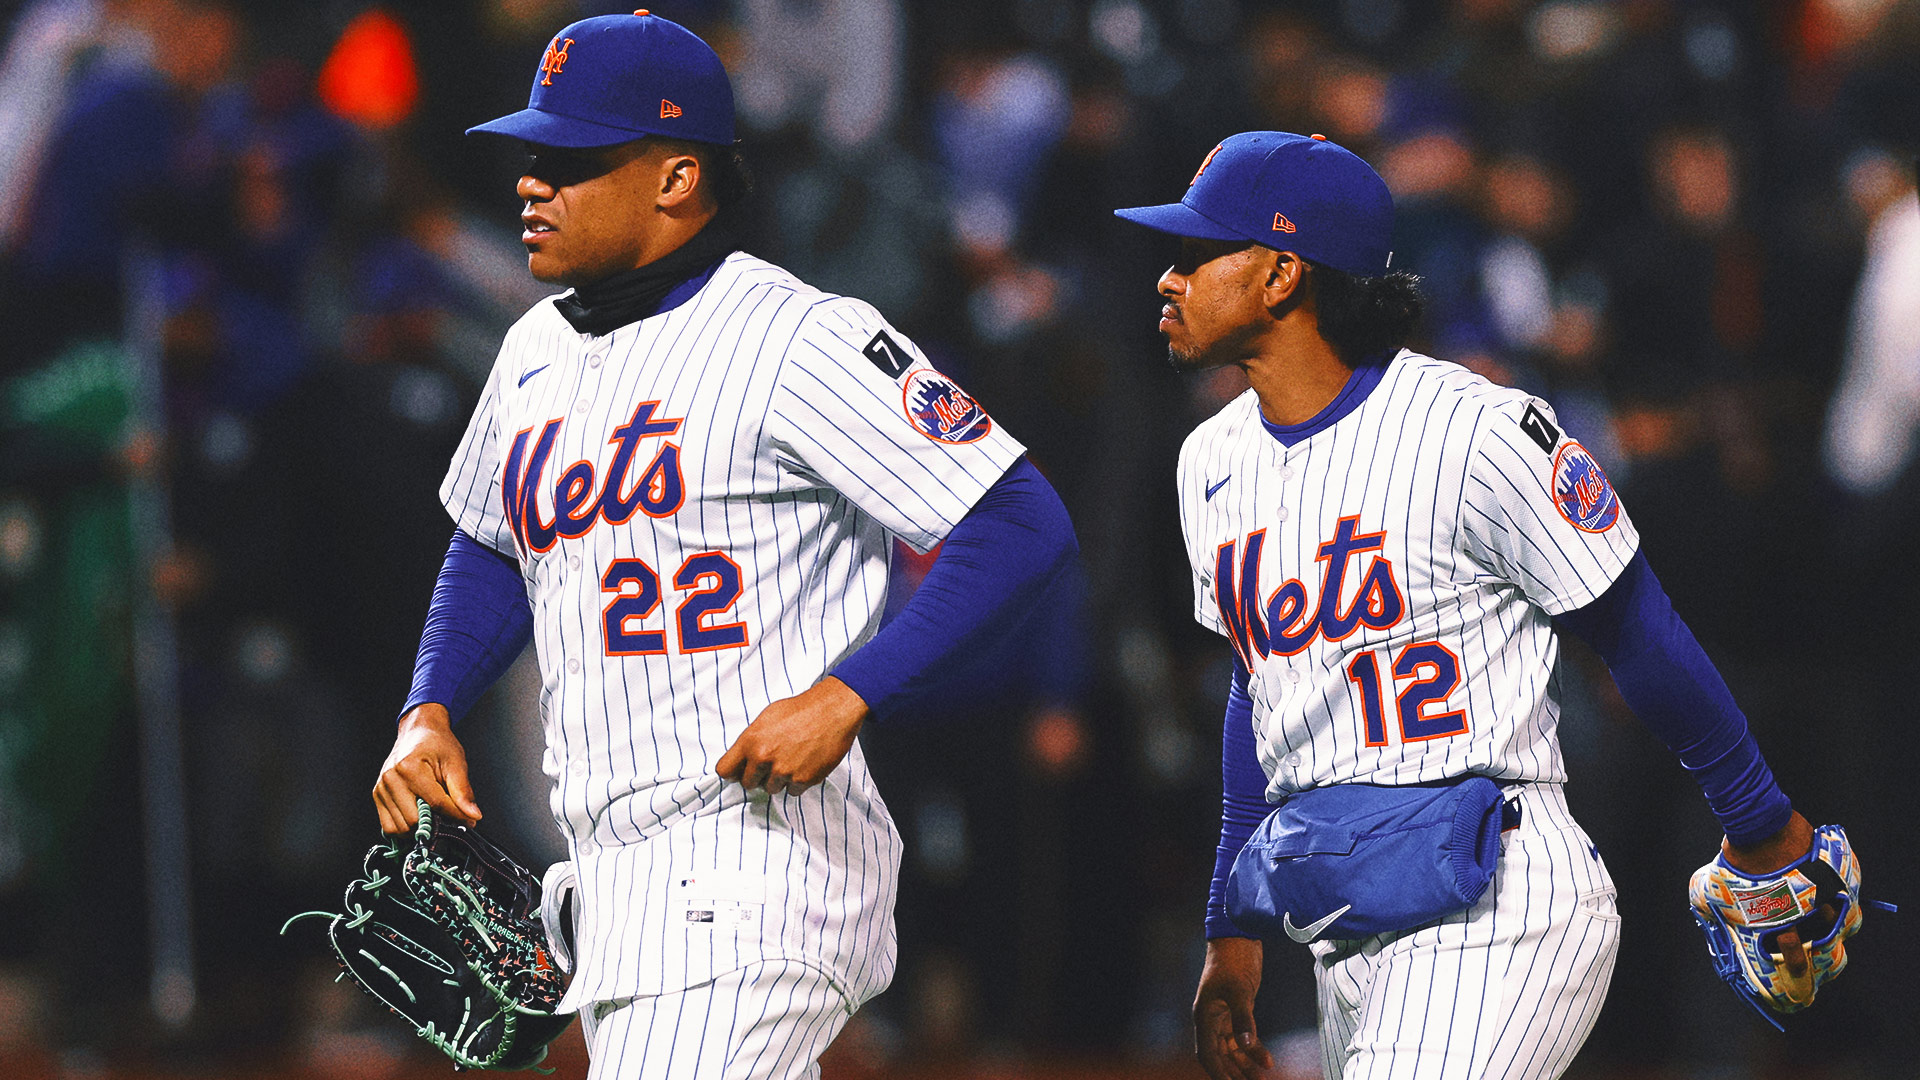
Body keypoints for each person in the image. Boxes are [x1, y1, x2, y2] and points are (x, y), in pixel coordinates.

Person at [369, 13, 1076, 1078]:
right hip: (610, 878)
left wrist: (849, 693)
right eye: (532, 157)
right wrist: (428, 707)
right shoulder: (532, 349)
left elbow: (1020, 519)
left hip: (760, 865)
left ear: (676, 178)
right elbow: (491, 543)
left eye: (572, 162)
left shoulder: (798, 336)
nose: (531, 184)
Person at [1113, 131, 1823, 1080]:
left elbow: (1634, 628)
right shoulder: (1209, 459)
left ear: (1282, 273)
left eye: (1199, 253)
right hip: (1342, 926)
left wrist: (1763, 823)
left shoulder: (1476, 429)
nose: (1169, 278)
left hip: (1501, 902)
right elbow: (1259, 690)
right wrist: (1230, 937)